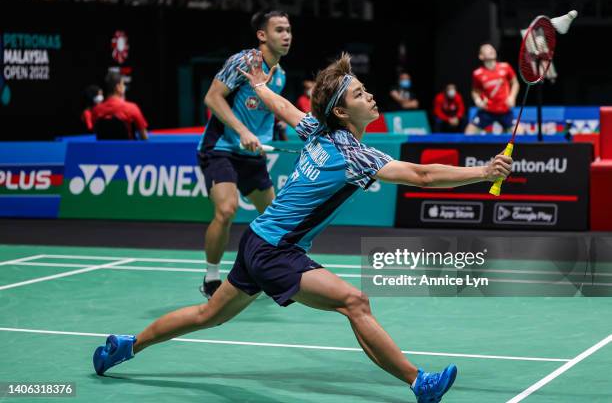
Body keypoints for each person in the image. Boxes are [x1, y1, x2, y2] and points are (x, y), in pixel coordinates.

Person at [93, 51, 513, 402]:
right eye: (359, 93)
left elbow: (285, 108)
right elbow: (421, 176)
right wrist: (482, 172)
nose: (369, 95)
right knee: (354, 302)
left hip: (258, 239)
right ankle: (419, 382)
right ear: (343, 111)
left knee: (208, 315)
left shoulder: (318, 131)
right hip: (274, 249)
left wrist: (259, 86)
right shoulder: (357, 156)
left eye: (365, 90)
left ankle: (127, 346)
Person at [197, 10, 292, 298]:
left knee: (274, 218)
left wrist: (274, 132)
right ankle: (212, 277)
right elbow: (212, 98)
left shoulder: (280, 76)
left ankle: (264, 270)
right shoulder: (243, 62)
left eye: (288, 30)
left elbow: (264, 113)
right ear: (262, 35)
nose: (286, 36)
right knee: (226, 210)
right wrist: (241, 131)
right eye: (279, 30)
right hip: (222, 149)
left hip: (253, 155)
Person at [465, 43, 519, 135]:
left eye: (492, 48)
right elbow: (475, 91)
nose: (491, 50)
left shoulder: (505, 67)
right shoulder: (477, 73)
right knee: (468, 134)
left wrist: (512, 97)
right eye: (486, 49)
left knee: (519, 134)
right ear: (481, 56)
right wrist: (477, 100)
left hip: (505, 110)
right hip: (487, 111)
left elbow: (515, 83)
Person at [92, 72, 149, 140]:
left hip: (104, 150)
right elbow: (144, 137)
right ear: (118, 87)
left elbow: (97, 134)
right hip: (127, 149)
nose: (124, 87)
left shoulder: (96, 110)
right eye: (123, 84)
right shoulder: (132, 107)